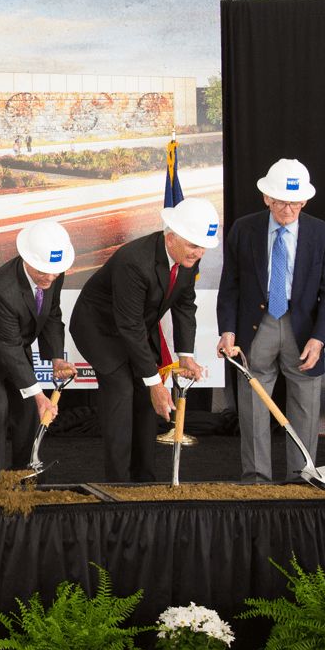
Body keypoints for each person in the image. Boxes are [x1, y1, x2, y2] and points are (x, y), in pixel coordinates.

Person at [71, 197, 219, 482]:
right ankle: (119, 483)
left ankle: (145, 480)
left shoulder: (188, 258)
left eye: (203, 247)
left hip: (134, 326)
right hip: (99, 328)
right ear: (172, 237)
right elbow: (128, 326)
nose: (198, 253)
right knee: (123, 390)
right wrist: (155, 383)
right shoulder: (135, 262)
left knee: (145, 398)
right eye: (192, 245)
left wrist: (185, 355)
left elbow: (185, 305)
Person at [217, 160, 325, 483]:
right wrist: (228, 330)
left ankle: (302, 478)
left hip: (304, 330)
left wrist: (320, 338)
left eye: (293, 202)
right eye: (279, 201)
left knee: (305, 406)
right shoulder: (243, 230)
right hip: (257, 326)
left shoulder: (324, 234)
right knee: (254, 404)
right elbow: (229, 286)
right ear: (266, 198)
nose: (286, 209)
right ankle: (257, 478)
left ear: (304, 201)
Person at [0, 221, 75, 485]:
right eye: (45, 272)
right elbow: (9, 349)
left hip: (12, 346)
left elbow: (52, 313)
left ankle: (24, 474)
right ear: (26, 258)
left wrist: (56, 358)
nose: (51, 278)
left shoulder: (53, 270)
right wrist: (39, 393)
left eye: (56, 272)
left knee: (28, 410)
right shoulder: (2, 289)